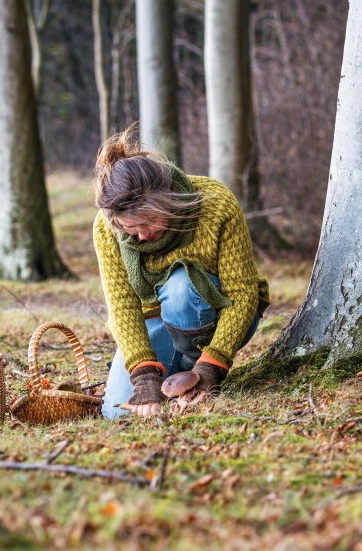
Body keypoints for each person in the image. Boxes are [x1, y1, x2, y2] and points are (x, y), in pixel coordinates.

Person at [92, 130, 270, 417]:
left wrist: (213, 363)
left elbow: (242, 294)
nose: (142, 235)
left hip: (219, 314)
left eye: (149, 221)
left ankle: (196, 369)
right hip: (157, 322)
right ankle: (176, 379)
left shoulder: (215, 203)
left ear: (168, 199)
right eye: (130, 228)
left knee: (181, 286)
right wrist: (143, 374)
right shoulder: (106, 227)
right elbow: (122, 306)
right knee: (117, 413)